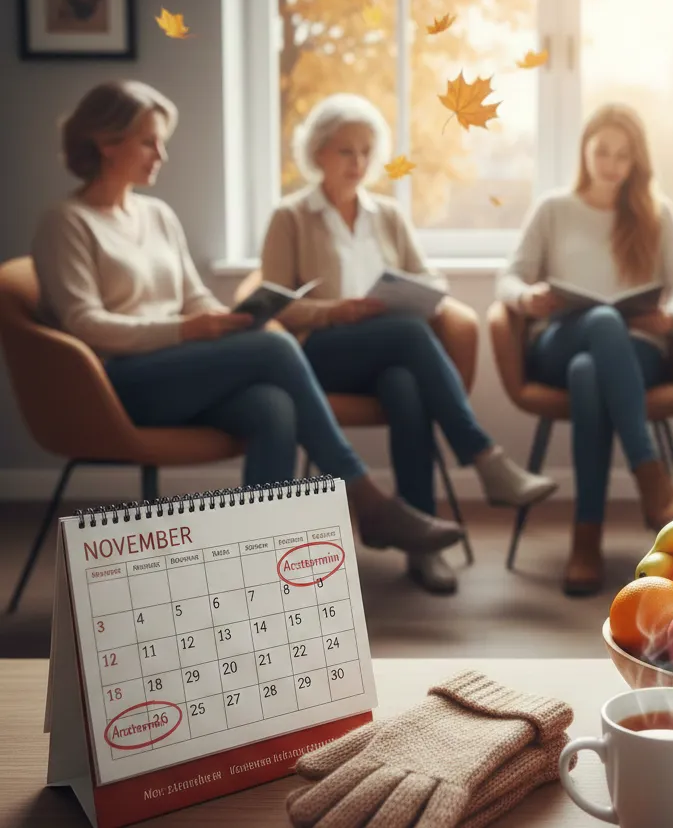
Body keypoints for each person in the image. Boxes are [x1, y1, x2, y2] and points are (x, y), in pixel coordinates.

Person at [32, 80, 464, 560]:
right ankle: (367, 500)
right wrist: (185, 330)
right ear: (106, 143)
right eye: (149, 142)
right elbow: (83, 323)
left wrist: (221, 319)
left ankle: (260, 567)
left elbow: (192, 295)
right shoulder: (66, 222)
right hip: (116, 384)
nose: (162, 154)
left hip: (178, 369)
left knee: (272, 407)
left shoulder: (157, 215)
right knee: (278, 347)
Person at [260, 93, 557, 595]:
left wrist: (413, 293)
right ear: (318, 154)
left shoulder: (388, 215)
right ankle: (485, 458)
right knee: (408, 334)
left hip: (386, 353)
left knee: (405, 386)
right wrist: (336, 311)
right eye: (344, 151)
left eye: (364, 151)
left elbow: (425, 274)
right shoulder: (290, 217)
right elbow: (275, 304)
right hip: (319, 356)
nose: (357, 163)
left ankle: (422, 545)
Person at [496, 102, 673, 596]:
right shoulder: (554, 209)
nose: (610, 164)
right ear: (585, 149)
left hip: (635, 351)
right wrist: (527, 297)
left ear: (636, 162)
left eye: (622, 156)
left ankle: (585, 535)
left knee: (591, 372)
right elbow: (508, 276)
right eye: (602, 151)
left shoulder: (656, 212)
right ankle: (653, 480)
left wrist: (671, 315)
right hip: (558, 341)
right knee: (598, 326)